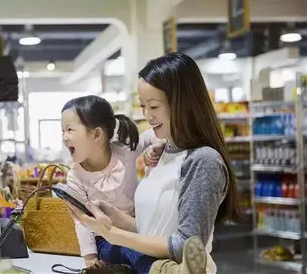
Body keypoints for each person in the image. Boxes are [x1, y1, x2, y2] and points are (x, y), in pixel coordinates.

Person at [66, 52, 240, 274]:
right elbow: (154, 231)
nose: (147, 115)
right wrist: (116, 218)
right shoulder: (161, 153)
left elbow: (184, 245)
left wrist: (114, 235)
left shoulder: (203, 161)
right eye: (143, 106)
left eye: (154, 106)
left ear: (181, 103)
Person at [61, 95, 166, 269]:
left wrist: (158, 144)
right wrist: (90, 258)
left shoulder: (124, 151)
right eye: (62, 131)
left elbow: (150, 135)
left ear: (96, 134)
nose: (64, 137)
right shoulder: (75, 177)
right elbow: (82, 221)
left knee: (149, 246)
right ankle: (165, 271)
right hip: (105, 238)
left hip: (138, 227)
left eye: (70, 130)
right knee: (130, 250)